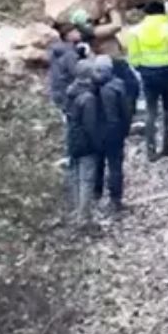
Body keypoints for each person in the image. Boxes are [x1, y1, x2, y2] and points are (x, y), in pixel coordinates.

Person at [123, 0, 168, 161]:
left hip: (148, 74)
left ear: (146, 13)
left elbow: (133, 57)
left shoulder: (135, 31)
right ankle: (166, 147)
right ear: (163, 12)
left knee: (151, 111)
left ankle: (150, 150)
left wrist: (142, 69)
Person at [64, 61, 105, 225]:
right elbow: (90, 126)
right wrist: (98, 145)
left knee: (75, 176)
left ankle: (76, 211)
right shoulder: (88, 98)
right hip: (86, 144)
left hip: (72, 139)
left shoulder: (71, 91)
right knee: (86, 180)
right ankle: (84, 217)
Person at [93, 56, 133, 214]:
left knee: (98, 163)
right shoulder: (118, 86)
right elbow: (126, 112)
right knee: (115, 166)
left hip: (97, 131)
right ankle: (115, 199)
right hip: (115, 132)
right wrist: (125, 130)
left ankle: (96, 193)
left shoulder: (92, 86)